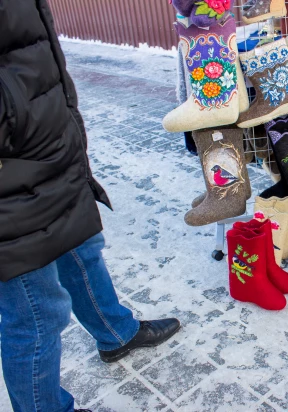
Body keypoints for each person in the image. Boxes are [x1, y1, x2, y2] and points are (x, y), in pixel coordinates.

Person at [0, 1, 181, 411]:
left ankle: (114, 332)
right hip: (13, 171)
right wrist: (20, 119)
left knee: (82, 250)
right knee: (35, 316)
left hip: (49, 152)